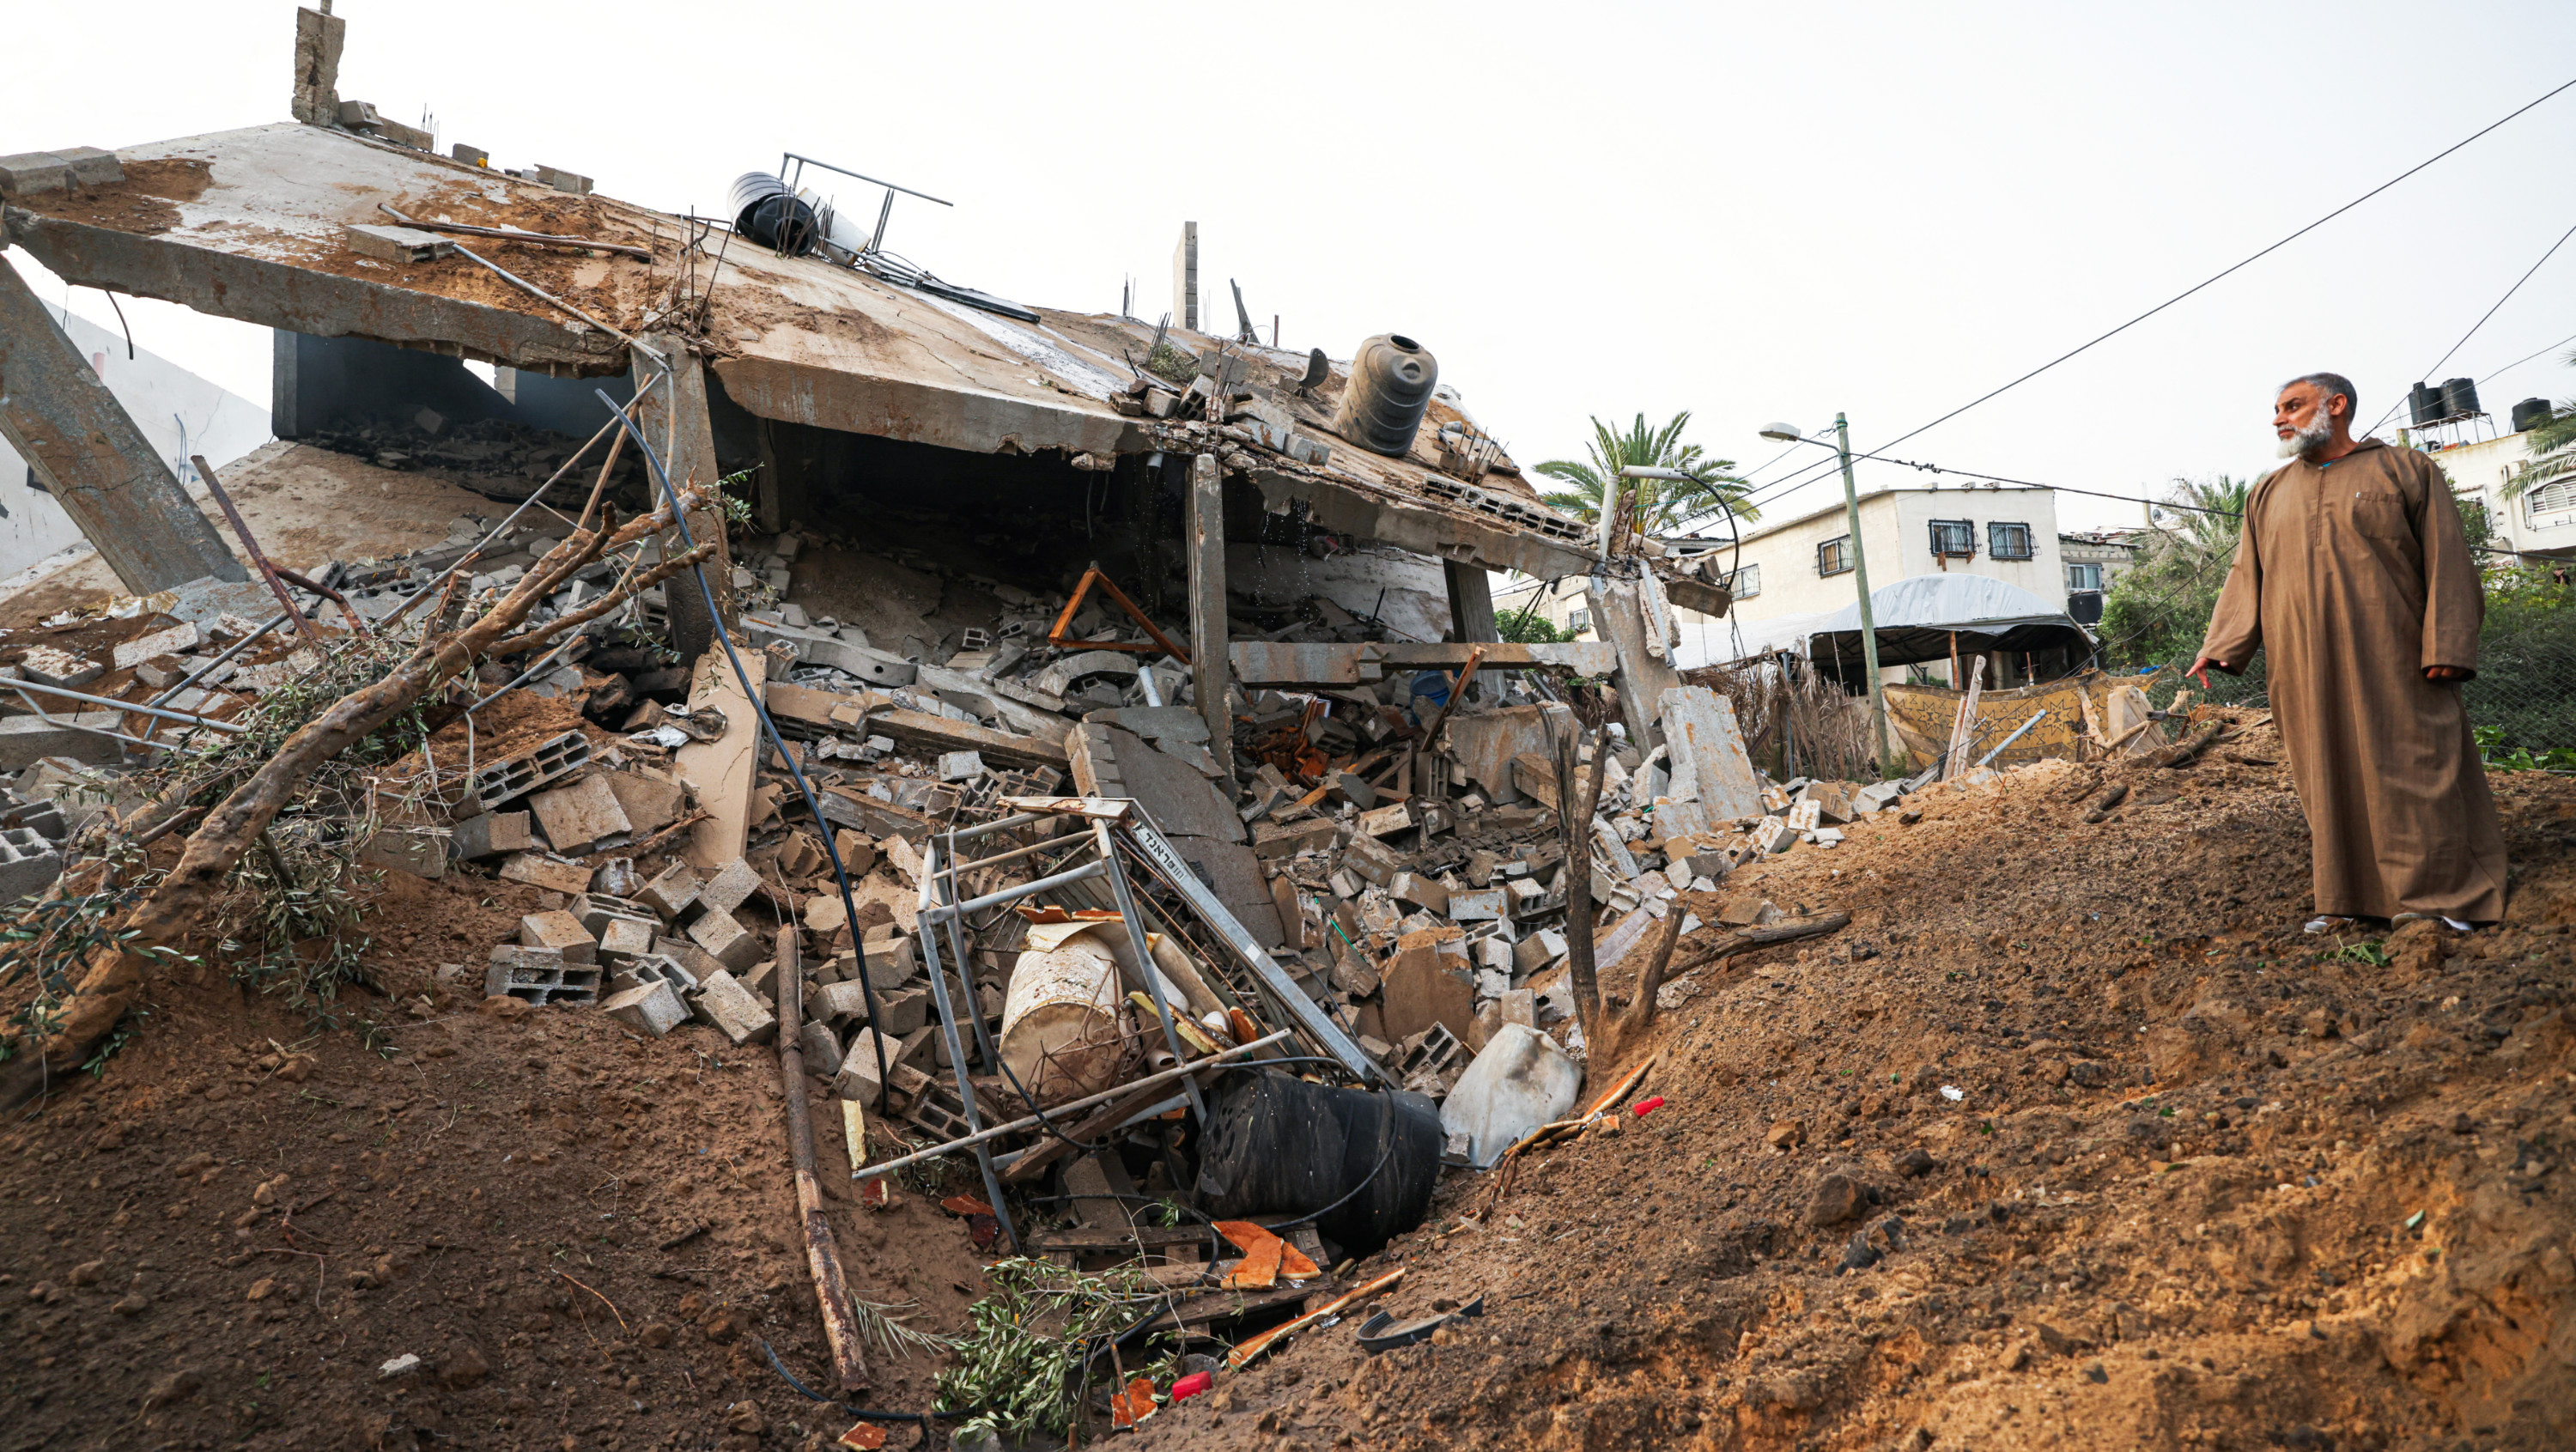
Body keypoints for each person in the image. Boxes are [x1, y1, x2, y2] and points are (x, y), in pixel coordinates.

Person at [2190, 372, 2506, 931]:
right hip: (2303, 662)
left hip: (2397, 654)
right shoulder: (2268, 492)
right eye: (2278, 408)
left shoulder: (2406, 471)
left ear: (2335, 406)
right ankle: (2347, 901)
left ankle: (2437, 898)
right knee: (2326, 771)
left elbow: (2448, 558)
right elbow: (2247, 574)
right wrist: (2222, 645)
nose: (2278, 417)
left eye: (2293, 405)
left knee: (2413, 766)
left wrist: (2448, 642)